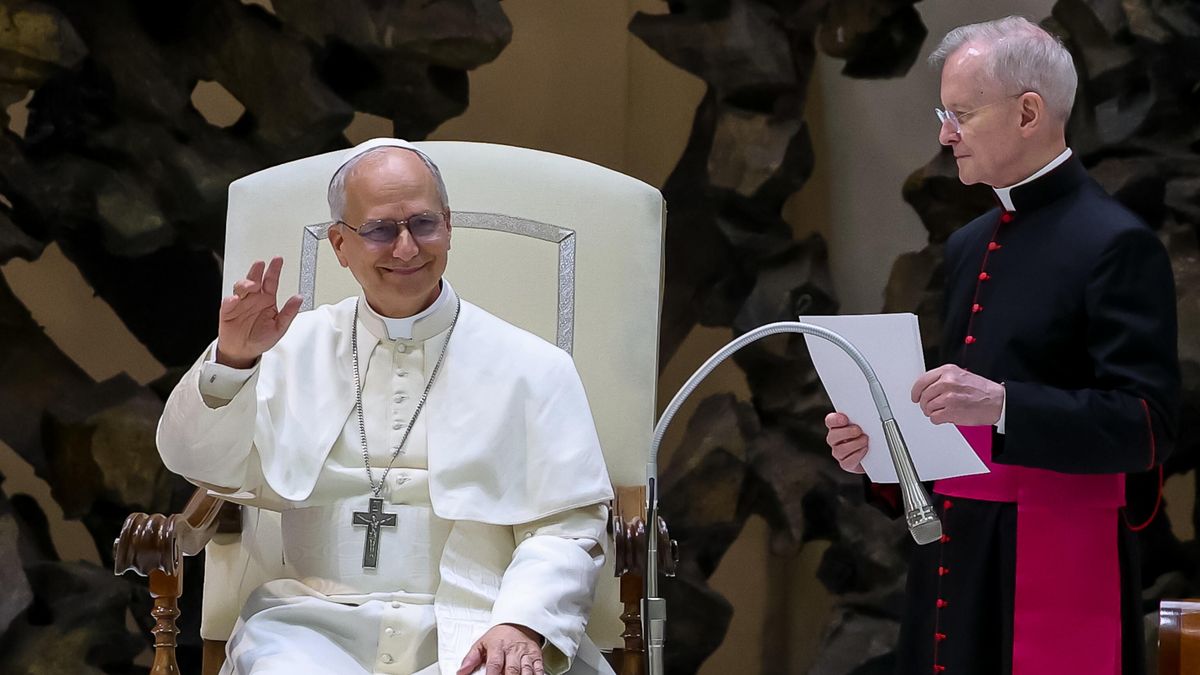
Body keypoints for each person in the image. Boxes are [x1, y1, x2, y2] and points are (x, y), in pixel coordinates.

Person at [158, 140, 616, 675]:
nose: (405, 249)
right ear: (339, 244)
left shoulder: (535, 367)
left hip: (476, 621)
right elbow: (195, 460)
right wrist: (233, 360)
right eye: (379, 230)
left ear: (448, 226)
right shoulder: (283, 350)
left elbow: (568, 526)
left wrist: (521, 622)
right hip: (314, 620)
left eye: (423, 224)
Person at [824, 16, 1179, 675]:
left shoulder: (1115, 244)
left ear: (1028, 113)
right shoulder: (967, 244)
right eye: (943, 112)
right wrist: (880, 445)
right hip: (953, 558)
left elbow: (1149, 427)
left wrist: (1004, 404)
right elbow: (954, 422)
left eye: (961, 112)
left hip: (1056, 556)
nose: (944, 133)